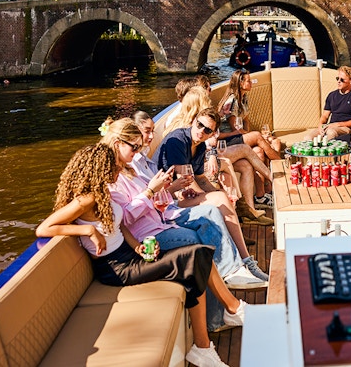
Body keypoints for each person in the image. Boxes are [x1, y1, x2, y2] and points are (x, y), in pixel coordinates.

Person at [35, 144, 233, 367]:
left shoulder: (103, 193)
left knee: (194, 264)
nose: (119, 171)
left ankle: (203, 345)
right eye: (114, 167)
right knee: (196, 255)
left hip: (130, 256)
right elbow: (44, 229)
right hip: (116, 269)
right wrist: (88, 231)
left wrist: (138, 246)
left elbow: (121, 227)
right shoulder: (85, 200)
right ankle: (229, 314)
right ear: (100, 169)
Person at [99, 117, 263, 330]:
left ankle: (230, 276)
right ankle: (219, 315)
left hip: (161, 220)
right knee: (198, 244)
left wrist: (163, 194)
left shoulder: (129, 168)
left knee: (210, 212)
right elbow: (126, 218)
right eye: (134, 146)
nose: (138, 151)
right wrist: (152, 190)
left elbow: (150, 202)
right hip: (147, 236)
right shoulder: (111, 177)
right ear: (117, 143)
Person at [154, 108, 270, 281]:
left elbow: (200, 179)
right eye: (199, 125)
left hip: (183, 194)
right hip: (167, 199)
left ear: (212, 134)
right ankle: (245, 263)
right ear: (193, 121)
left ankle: (245, 261)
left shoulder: (199, 146)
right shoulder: (177, 141)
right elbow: (184, 178)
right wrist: (214, 197)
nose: (201, 131)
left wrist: (216, 192)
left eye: (207, 130)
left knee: (222, 197)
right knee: (220, 200)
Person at [217, 69, 282, 163]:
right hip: (228, 139)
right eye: (248, 81)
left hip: (239, 136)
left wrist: (249, 135)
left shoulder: (244, 98)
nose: (251, 83)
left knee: (275, 141)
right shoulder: (231, 101)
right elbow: (235, 128)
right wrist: (252, 136)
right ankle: (280, 163)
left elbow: (246, 120)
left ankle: (276, 171)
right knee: (258, 136)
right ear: (240, 83)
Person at [305, 66, 351, 142]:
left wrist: (337, 124)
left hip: (345, 128)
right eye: (338, 78)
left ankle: (327, 153)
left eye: (342, 80)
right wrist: (320, 125)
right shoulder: (332, 95)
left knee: (331, 132)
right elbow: (325, 116)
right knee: (308, 138)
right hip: (329, 126)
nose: (338, 81)